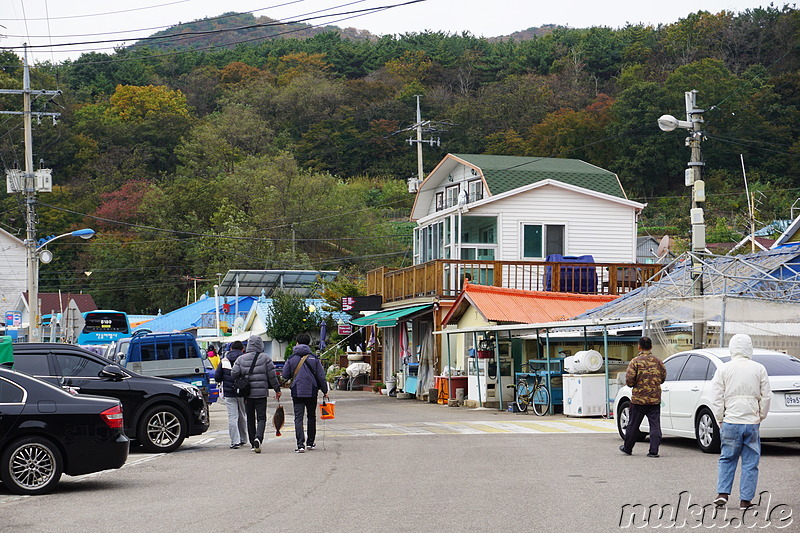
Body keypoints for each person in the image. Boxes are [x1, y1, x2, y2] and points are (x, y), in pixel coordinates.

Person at [711, 333, 771, 511]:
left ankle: (722, 494)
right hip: (751, 421)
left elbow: (716, 396)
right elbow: (766, 396)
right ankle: (745, 500)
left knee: (727, 458)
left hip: (730, 420)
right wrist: (760, 415)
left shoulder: (724, 368)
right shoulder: (759, 368)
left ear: (732, 348)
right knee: (750, 462)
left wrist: (720, 418)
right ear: (749, 348)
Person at [231, 335, 282, 453]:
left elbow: (234, 373)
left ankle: (253, 443)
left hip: (247, 394)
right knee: (261, 418)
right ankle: (258, 438)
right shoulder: (265, 358)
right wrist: (277, 389)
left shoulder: (241, 359)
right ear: (261, 345)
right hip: (261, 394)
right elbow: (272, 376)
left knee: (250, 418)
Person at [281, 333, 329, 453]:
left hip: (297, 391)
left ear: (297, 342)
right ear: (308, 344)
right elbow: (321, 376)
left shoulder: (291, 359)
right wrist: (325, 390)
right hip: (312, 391)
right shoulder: (314, 359)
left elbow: (285, 375)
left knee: (298, 418)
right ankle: (310, 442)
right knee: (311, 416)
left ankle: (300, 444)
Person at [619, 336, 666, 457]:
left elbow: (629, 380)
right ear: (651, 347)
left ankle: (628, 448)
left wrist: (635, 384)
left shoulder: (635, 361)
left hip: (638, 400)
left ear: (639, 347)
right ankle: (653, 451)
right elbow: (663, 378)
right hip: (654, 399)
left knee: (633, 425)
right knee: (655, 426)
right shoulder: (658, 361)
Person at [214, 340, 247, 449]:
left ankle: (235, 442)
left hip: (229, 393)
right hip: (242, 392)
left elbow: (217, 377)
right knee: (242, 415)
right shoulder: (244, 359)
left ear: (231, 349)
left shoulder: (224, 360)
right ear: (242, 349)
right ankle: (243, 439)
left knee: (233, 417)